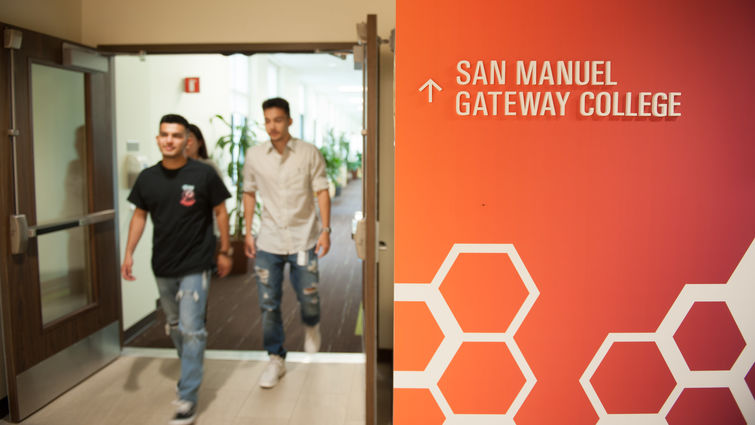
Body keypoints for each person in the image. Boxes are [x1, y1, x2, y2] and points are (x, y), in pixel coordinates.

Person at [121, 114, 232, 425]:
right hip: (163, 265)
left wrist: (224, 250)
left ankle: (187, 398)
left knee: (192, 328)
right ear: (158, 139)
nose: (170, 140)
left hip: (196, 263)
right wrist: (128, 252)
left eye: (176, 135)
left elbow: (220, 210)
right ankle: (191, 369)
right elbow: (139, 217)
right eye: (164, 135)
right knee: (174, 325)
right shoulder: (146, 178)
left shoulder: (203, 174)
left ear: (187, 141)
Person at [242, 97, 331, 388]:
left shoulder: (308, 153)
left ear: (289, 121)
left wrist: (325, 229)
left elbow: (321, 191)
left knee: (309, 295)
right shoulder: (255, 156)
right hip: (269, 241)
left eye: (278, 120)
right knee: (269, 304)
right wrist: (247, 232)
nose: (272, 126)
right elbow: (249, 193)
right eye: (267, 120)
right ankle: (275, 358)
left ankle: (311, 325)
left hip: (304, 238)